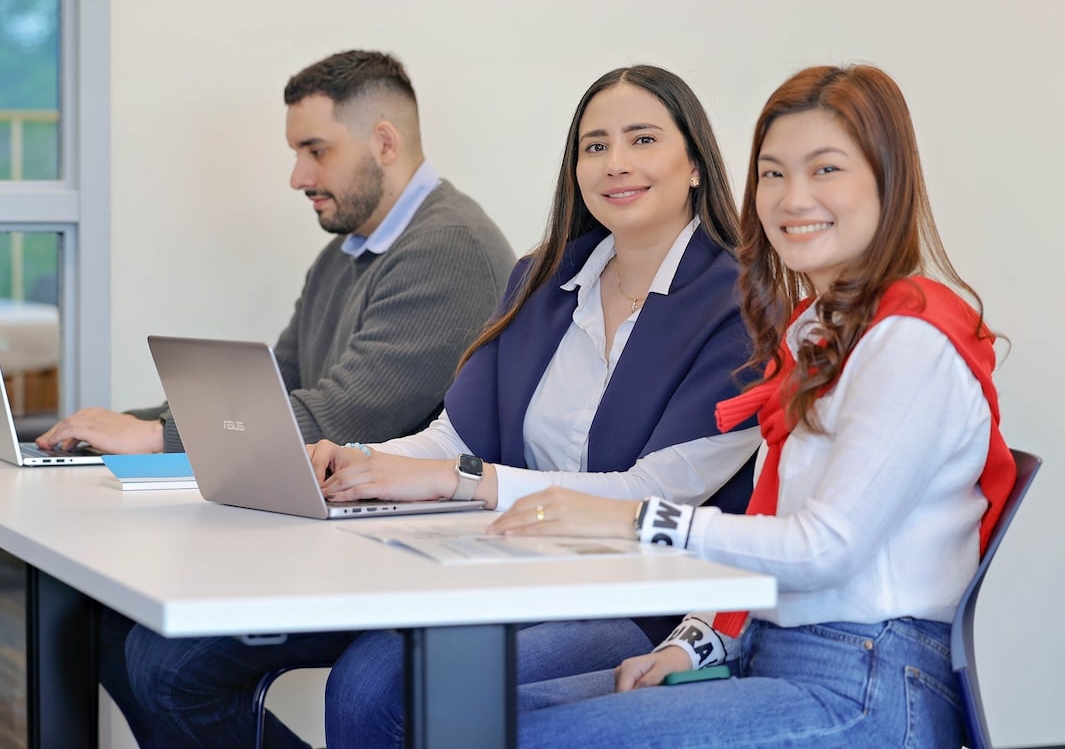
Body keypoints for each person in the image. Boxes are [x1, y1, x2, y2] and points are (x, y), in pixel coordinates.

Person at [124, 64, 763, 748]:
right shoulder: (543, 278)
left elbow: (653, 494)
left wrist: (464, 480)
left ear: (694, 162)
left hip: (636, 597)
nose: (615, 164)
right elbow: (452, 434)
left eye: (641, 140)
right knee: (203, 660)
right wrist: (363, 460)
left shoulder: (742, 304)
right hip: (504, 558)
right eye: (594, 145)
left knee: (377, 689)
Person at [481, 64, 1018, 749]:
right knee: (482, 718)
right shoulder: (818, 331)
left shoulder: (908, 339)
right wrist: (693, 645)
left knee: (514, 736)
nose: (792, 198)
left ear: (888, 178)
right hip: (771, 652)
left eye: (825, 170)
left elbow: (821, 548)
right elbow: (774, 527)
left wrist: (632, 519)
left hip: (866, 686)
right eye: (771, 174)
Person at [83, 49, 517, 748]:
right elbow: (274, 390)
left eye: (315, 150)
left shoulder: (450, 249)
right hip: (327, 535)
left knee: (169, 664)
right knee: (98, 614)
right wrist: (135, 424)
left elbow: (338, 414)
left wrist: (158, 438)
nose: (297, 176)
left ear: (383, 141)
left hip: (391, 555)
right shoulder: (346, 254)